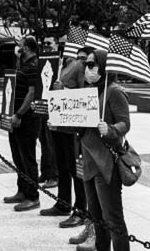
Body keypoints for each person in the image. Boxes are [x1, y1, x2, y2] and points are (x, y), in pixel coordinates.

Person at [80, 49, 130, 251]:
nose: (87, 68)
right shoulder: (88, 91)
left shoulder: (114, 91)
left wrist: (110, 129)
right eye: (86, 64)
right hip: (88, 162)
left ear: (104, 66)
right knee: (96, 217)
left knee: (113, 218)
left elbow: (125, 124)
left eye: (92, 64)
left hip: (105, 163)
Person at [42, 46, 90, 230]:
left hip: (73, 128)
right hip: (59, 124)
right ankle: (63, 202)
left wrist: (64, 90)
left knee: (75, 169)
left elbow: (84, 93)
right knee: (62, 165)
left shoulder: (80, 66)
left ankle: (80, 209)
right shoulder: (64, 65)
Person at [4, 36, 41, 211]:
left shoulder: (34, 66)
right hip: (14, 118)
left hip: (27, 119)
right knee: (18, 156)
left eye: (19, 45)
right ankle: (22, 190)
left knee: (27, 157)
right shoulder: (23, 65)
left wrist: (19, 114)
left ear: (25, 48)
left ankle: (33, 196)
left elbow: (32, 93)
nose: (16, 48)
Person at [38, 36, 59, 189]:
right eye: (44, 43)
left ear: (56, 44)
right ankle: (45, 171)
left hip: (55, 108)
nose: (46, 46)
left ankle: (54, 175)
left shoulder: (61, 62)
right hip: (42, 106)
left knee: (52, 143)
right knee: (44, 142)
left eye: (49, 43)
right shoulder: (42, 61)